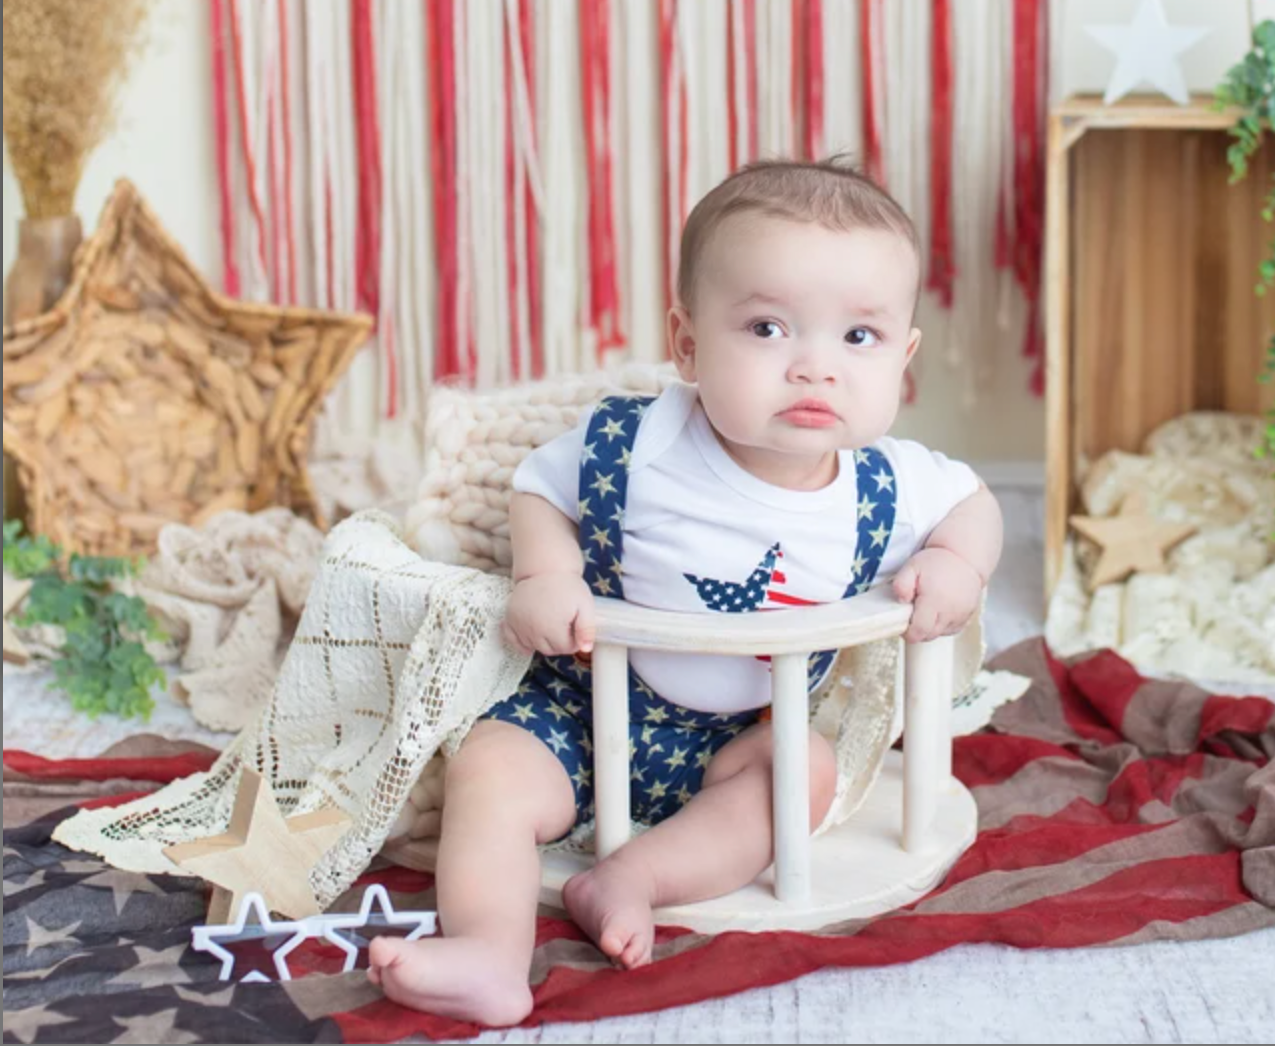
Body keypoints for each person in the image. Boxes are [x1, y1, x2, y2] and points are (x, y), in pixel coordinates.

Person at [368, 159, 1004, 1025]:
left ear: (905, 355)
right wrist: (544, 574)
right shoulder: (637, 443)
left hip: (738, 734)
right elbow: (539, 487)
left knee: (799, 773)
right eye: (769, 328)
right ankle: (487, 948)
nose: (816, 368)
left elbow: (977, 505)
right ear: (689, 342)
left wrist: (960, 565)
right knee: (490, 768)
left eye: (858, 338)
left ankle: (635, 877)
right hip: (584, 703)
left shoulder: (890, 483)